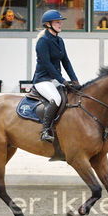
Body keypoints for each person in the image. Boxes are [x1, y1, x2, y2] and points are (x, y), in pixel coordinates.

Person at [32, 9, 81, 143]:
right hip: (43, 80)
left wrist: (75, 80)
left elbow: (66, 62)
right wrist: (63, 81)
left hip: (54, 80)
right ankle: (45, 130)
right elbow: (48, 65)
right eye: (57, 22)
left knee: (71, 96)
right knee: (56, 99)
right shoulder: (43, 41)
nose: (60, 25)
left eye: (60, 22)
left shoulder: (59, 40)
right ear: (48, 24)